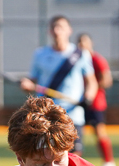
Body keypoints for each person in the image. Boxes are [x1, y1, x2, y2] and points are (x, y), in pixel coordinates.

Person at [20, 15, 97, 158]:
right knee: (45, 157)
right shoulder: (40, 54)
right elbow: (31, 81)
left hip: (73, 115)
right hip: (46, 114)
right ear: (49, 31)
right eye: (53, 27)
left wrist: (88, 97)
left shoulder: (80, 55)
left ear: (69, 30)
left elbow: (92, 82)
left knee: (74, 158)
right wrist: (27, 85)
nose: (57, 31)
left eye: (60, 27)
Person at [78, 33, 117, 166]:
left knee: (99, 132)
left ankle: (109, 162)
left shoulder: (97, 60)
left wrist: (91, 89)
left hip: (95, 103)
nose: (82, 45)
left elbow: (107, 80)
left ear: (91, 43)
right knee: (75, 134)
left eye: (85, 42)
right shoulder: (76, 60)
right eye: (80, 42)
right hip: (78, 103)